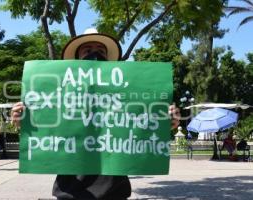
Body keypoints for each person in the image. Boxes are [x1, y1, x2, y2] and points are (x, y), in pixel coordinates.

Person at [11, 28, 180, 200]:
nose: (94, 55)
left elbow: (141, 126)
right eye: (87, 50)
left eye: (100, 51)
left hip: (114, 193)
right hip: (70, 193)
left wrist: (166, 122)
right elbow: (46, 131)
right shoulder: (60, 95)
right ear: (77, 59)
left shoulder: (127, 95)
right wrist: (24, 122)